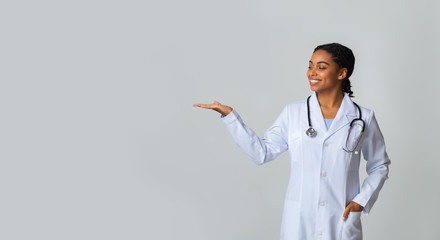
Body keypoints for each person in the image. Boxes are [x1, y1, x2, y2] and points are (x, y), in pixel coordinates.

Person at [193, 43, 390, 240]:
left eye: (321, 67)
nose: (312, 72)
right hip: (299, 223)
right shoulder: (293, 113)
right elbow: (261, 153)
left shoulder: (363, 117)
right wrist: (230, 117)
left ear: (341, 73)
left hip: (341, 221)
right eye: (310, 66)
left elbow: (379, 165)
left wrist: (360, 201)